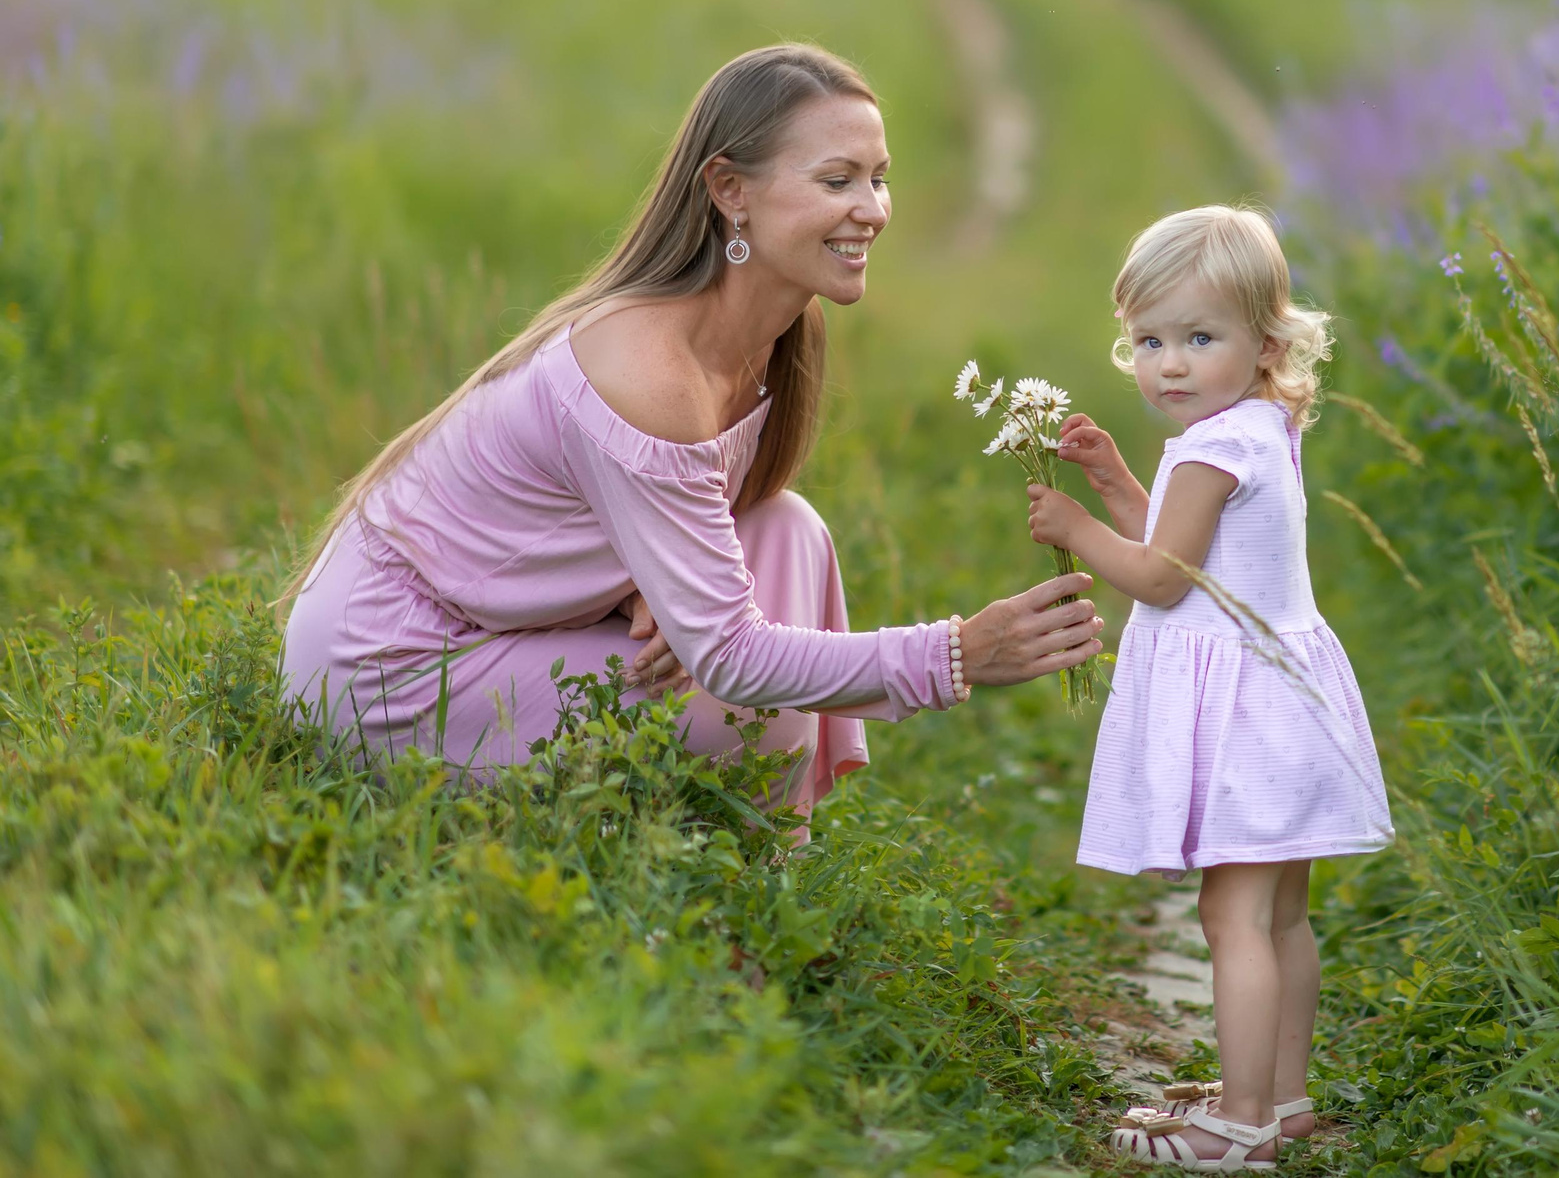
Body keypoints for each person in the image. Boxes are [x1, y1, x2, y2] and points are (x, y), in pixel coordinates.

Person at [281, 42, 1103, 811]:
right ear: (729, 190)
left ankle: (752, 885)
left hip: (498, 614)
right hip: (393, 668)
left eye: (879, 178)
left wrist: (651, 580)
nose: (872, 210)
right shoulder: (650, 374)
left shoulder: (777, 333)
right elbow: (735, 658)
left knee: (788, 532)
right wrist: (958, 652)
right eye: (837, 180)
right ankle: (728, 921)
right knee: (748, 702)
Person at [1026, 205, 1394, 1169]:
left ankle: (1236, 1123)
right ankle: (1283, 1096)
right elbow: (1190, 543)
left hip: (1244, 714)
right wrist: (1112, 484)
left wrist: (1075, 527)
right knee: (1280, 914)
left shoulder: (1209, 446)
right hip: (1285, 697)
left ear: (1264, 340)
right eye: (1150, 340)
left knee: (1230, 918)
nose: (1170, 364)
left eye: (1199, 337)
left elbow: (1158, 577)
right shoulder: (1260, 426)